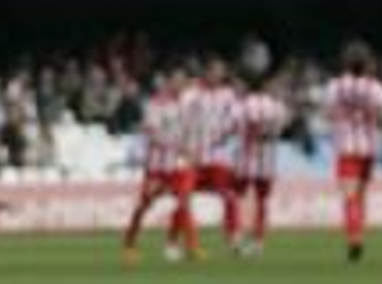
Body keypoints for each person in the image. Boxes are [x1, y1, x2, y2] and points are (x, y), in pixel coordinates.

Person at [323, 41, 382, 262]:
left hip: (346, 147)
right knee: (360, 196)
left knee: (349, 196)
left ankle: (354, 238)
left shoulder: (335, 86)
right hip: (369, 148)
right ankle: (358, 235)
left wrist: (342, 118)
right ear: (367, 63)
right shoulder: (376, 87)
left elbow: (327, 114)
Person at [123, 66, 195, 264]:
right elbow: (151, 133)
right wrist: (176, 145)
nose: (180, 85)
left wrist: (189, 147)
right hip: (157, 166)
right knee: (145, 205)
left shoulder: (185, 104)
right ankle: (130, 243)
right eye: (176, 80)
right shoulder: (156, 104)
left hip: (177, 165)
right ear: (169, 82)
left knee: (184, 202)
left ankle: (171, 244)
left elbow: (186, 131)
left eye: (183, 81)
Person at [182, 56, 241, 255]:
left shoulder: (228, 96)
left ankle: (233, 239)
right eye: (214, 71)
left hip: (217, 158)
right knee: (184, 199)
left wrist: (228, 132)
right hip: (194, 157)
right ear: (205, 73)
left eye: (220, 71)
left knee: (230, 196)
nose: (218, 75)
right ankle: (184, 243)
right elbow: (179, 120)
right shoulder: (191, 95)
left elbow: (236, 120)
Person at [233, 73, 289, 255]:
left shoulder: (241, 105)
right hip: (267, 160)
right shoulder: (277, 106)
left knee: (240, 197)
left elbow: (236, 127)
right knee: (261, 200)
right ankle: (257, 240)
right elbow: (282, 128)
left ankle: (239, 236)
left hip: (245, 158)